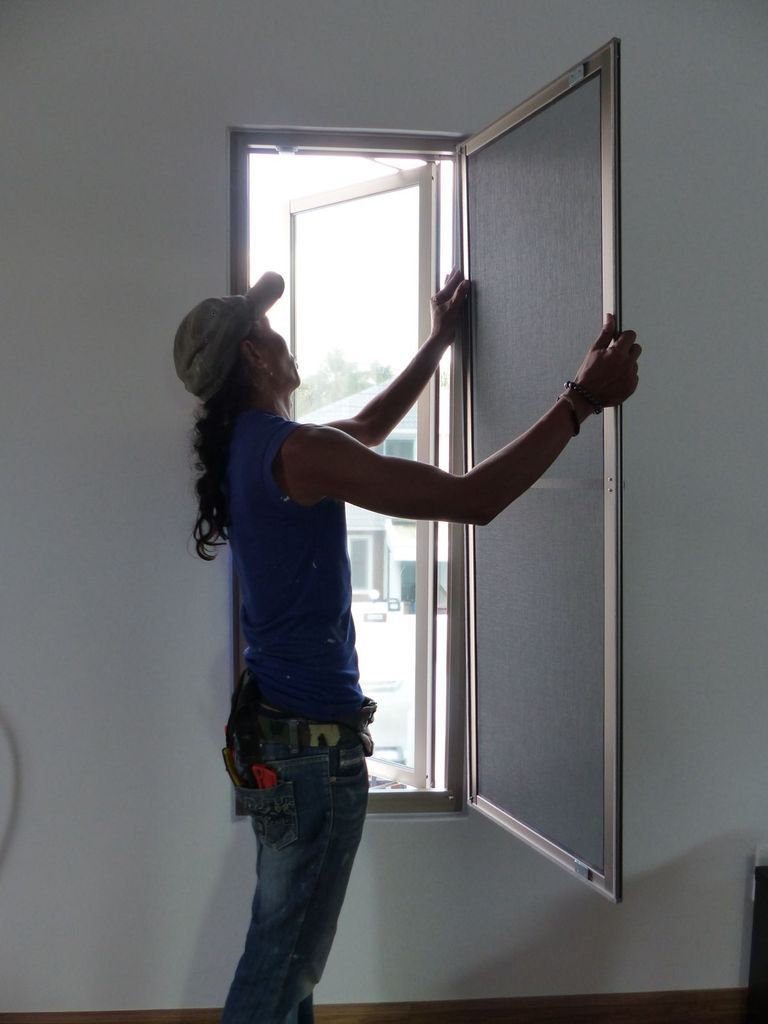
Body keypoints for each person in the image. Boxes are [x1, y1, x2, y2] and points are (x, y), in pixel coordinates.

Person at [173, 269, 641, 1023]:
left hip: (278, 739)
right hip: (311, 754)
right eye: (269, 330)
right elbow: (471, 499)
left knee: (288, 957)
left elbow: (364, 426)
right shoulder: (295, 452)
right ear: (254, 357)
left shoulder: (254, 446)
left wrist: (438, 342)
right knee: (283, 963)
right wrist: (580, 400)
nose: (284, 340)